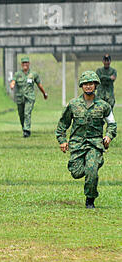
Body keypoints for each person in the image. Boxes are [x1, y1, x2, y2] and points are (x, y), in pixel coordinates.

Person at [55, 71, 117, 209]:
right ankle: (92, 165)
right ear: (81, 86)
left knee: (91, 169)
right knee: (76, 172)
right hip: (77, 145)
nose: (88, 86)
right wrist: (62, 140)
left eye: (91, 84)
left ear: (95, 85)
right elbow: (62, 124)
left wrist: (108, 136)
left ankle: (90, 200)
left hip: (95, 144)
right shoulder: (73, 105)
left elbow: (112, 124)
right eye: (85, 84)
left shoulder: (104, 106)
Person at [10, 57, 48, 138]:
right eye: (23, 63)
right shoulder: (18, 74)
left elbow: (39, 85)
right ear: (21, 64)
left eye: (26, 63)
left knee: (27, 113)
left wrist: (44, 93)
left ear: (29, 64)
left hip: (29, 97)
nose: (25, 65)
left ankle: (27, 130)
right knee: (21, 114)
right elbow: (13, 81)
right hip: (20, 97)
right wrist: (12, 85)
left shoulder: (33, 74)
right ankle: (24, 128)